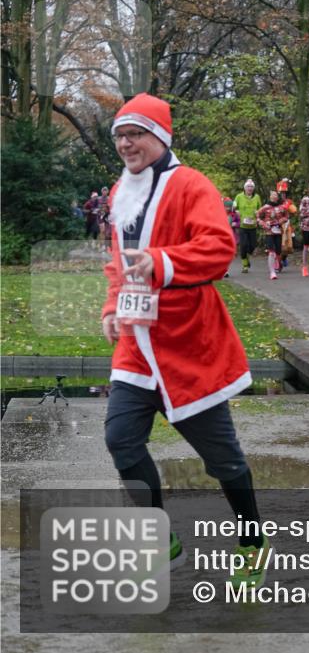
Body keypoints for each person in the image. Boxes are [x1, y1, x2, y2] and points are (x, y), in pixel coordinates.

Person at [100, 93, 266, 586]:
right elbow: (117, 261)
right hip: (137, 344)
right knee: (120, 440)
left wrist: (161, 261)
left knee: (223, 459)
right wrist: (111, 306)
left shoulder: (192, 184)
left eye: (135, 134)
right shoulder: (120, 190)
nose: (126, 144)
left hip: (189, 344)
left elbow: (219, 248)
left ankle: (253, 542)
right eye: (120, 136)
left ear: (159, 137)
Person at [257, 189, 287, 280]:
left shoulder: (281, 207)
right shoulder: (265, 207)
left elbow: (286, 216)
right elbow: (258, 216)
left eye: (275, 195)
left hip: (278, 231)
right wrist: (263, 224)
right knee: (271, 250)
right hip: (269, 231)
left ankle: (279, 263)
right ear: (270, 197)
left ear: (277, 197)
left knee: (278, 251)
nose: (274, 197)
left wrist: (281, 221)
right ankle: (272, 272)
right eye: (272, 195)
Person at [233, 179, 261, 273]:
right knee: (243, 245)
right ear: (245, 188)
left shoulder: (257, 197)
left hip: (253, 225)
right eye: (248, 186)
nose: (250, 188)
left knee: (252, 246)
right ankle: (245, 265)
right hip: (242, 226)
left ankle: (247, 257)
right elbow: (233, 208)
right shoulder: (239, 196)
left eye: (251, 187)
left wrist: (258, 212)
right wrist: (236, 211)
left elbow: (260, 209)